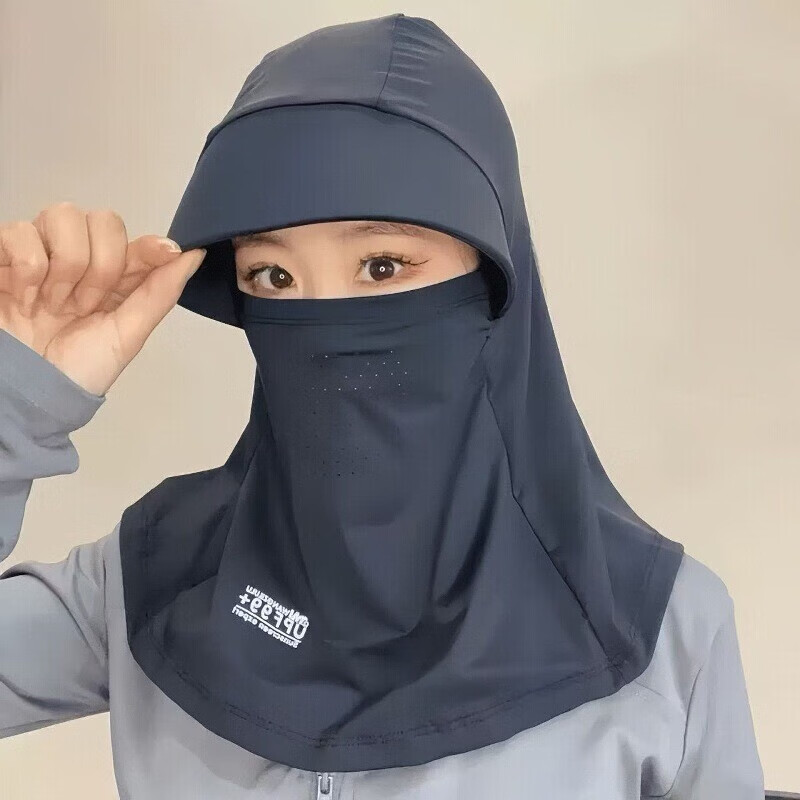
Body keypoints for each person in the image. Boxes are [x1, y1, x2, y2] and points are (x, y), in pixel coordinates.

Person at [0, 13, 764, 799]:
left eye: (382, 265)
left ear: (493, 281)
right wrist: (19, 395)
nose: (324, 321)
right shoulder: (158, 577)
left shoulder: (657, 629)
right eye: (272, 277)